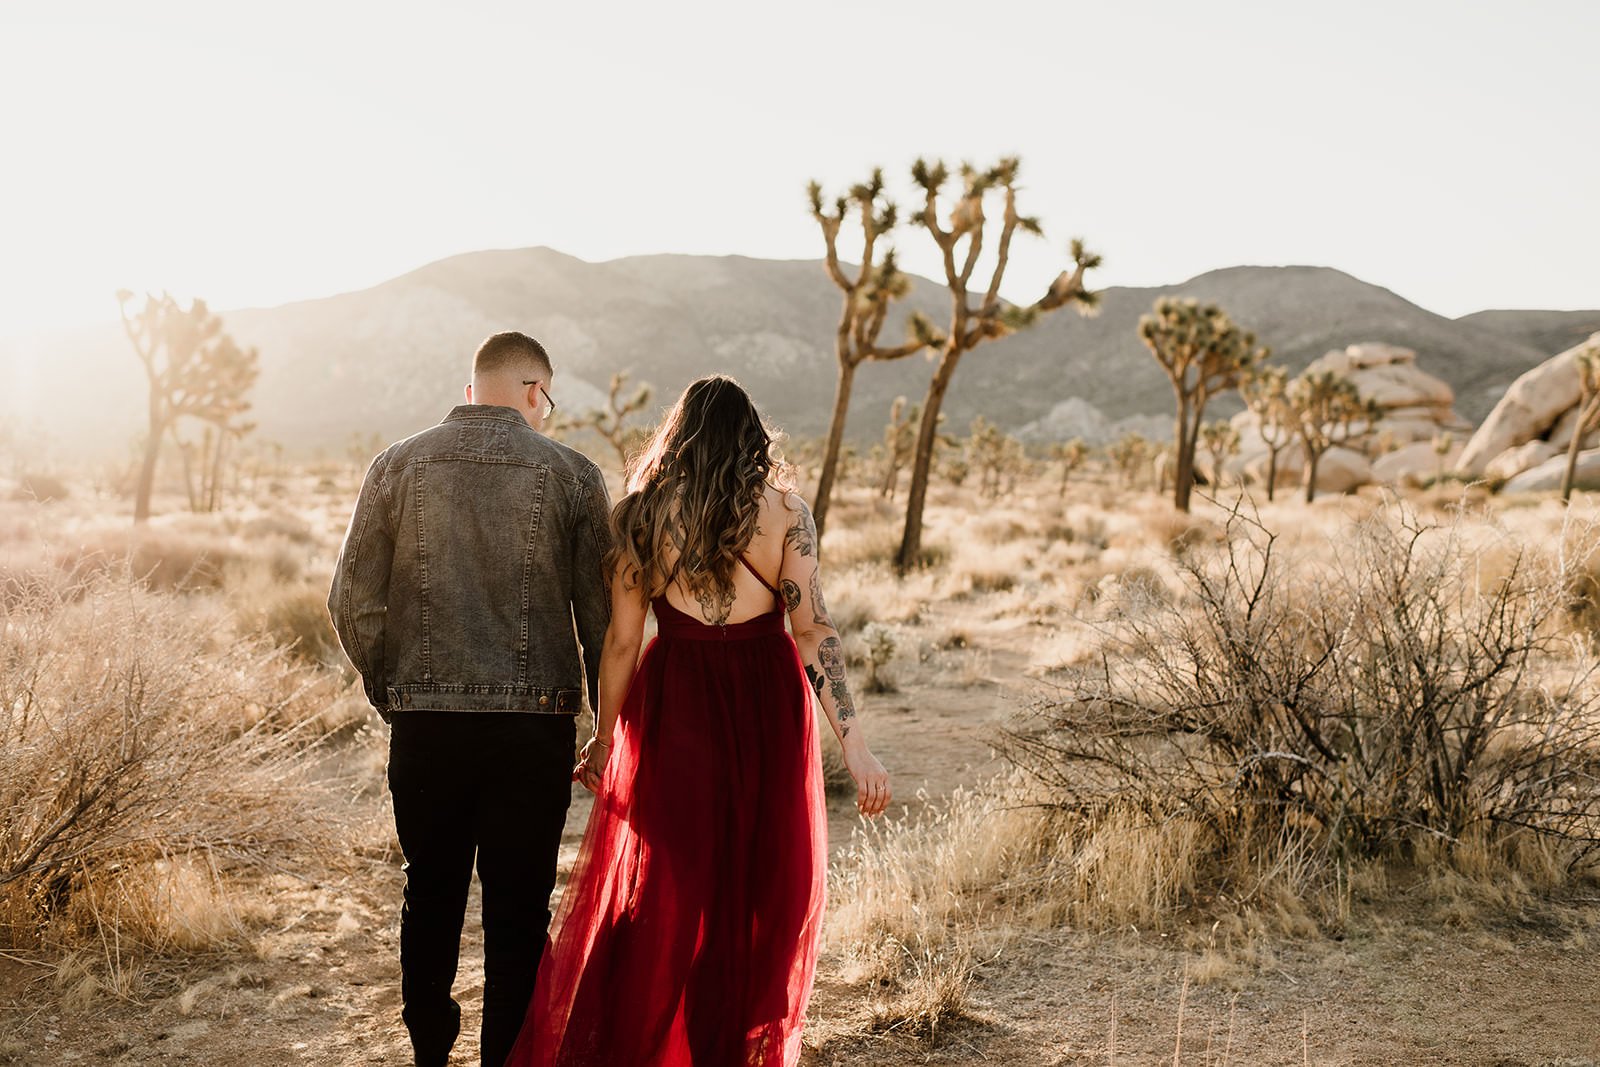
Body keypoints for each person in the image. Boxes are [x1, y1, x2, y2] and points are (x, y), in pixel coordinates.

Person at [506, 375, 891, 1067]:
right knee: (763, 887)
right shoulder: (786, 513)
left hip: (674, 699)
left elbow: (622, 643)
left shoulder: (640, 516)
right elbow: (813, 630)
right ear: (753, 438)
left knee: (669, 885)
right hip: (766, 704)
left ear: (675, 438)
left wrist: (603, 740)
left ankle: (653, 1043)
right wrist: (856, 747)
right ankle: (730, 1045)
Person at [327, 331, 612, 1067]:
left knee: (431, 895)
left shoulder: (396, 465)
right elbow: (603, 621)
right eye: (545, 398)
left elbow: (349, 600)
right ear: (529, 391)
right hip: (533, 732)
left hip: (427, 729)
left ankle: (429, 1054)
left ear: (470, 389)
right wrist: (608, 728)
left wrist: (396, 690)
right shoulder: (575, 476)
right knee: (518, 912)